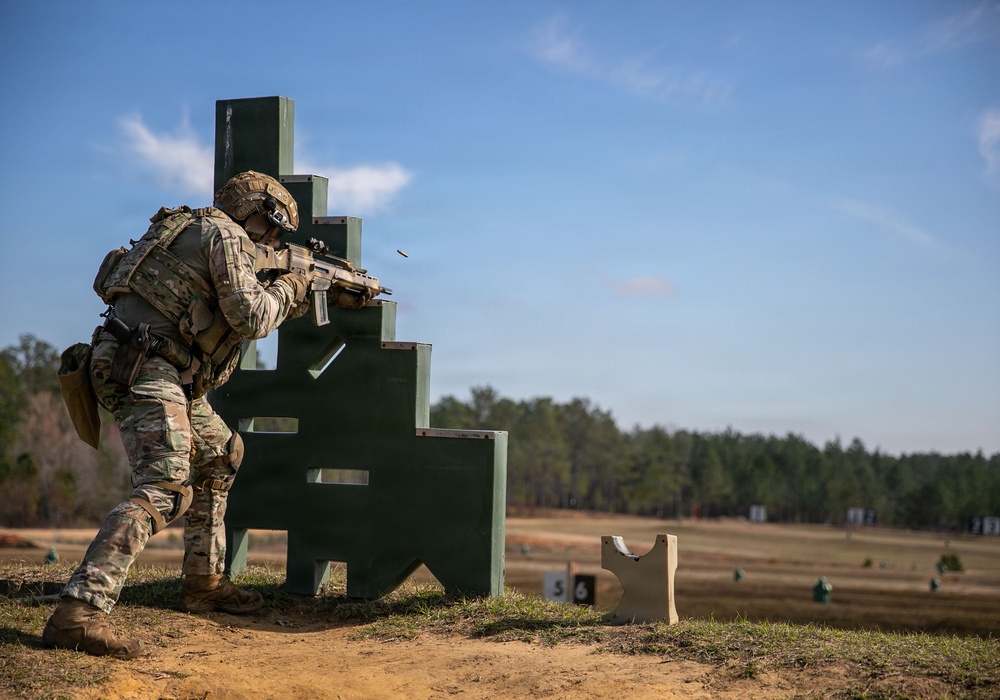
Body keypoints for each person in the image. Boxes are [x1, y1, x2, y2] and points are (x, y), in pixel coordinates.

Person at [43, 171, 322, 659]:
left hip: (151, 364)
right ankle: (78, 613)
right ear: (259, 214)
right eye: (272, 231)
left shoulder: (186, 227)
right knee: (166, 486)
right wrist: (293, 288)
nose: (272, 242)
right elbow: (251, 316)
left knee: (220, 455)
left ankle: (204, 581)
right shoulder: (228, 235)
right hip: (146, 366)